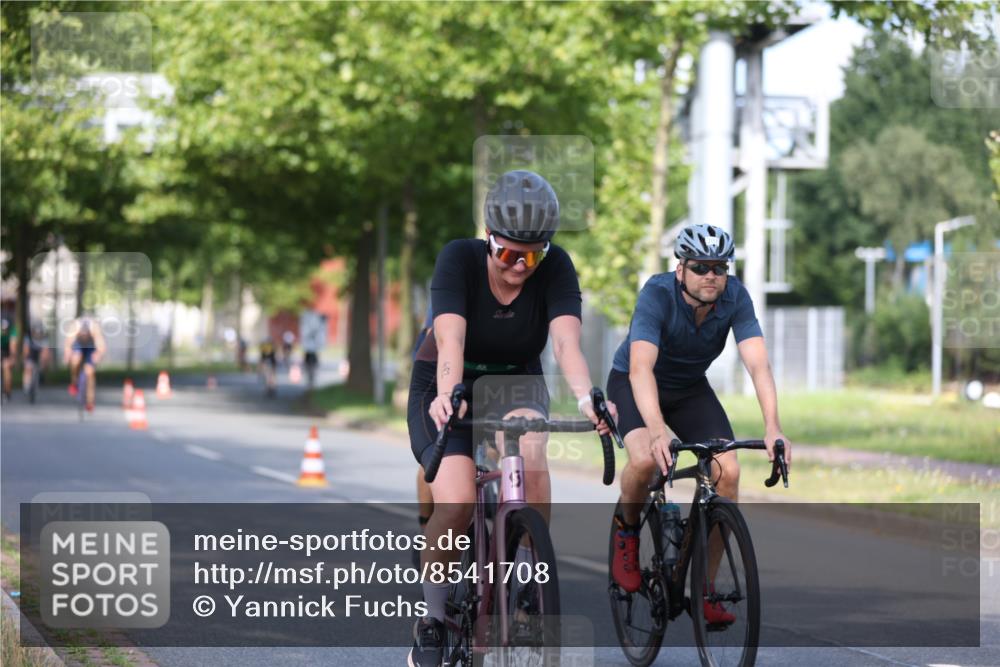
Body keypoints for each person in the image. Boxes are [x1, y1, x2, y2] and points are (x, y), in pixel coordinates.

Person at [406, 170, 614, 667]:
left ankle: (524, 577)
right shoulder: (458, 259)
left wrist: (588, 397)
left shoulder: (557, 267)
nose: (521, 264)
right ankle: (432, 620)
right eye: (508, 254)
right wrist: (451, 392)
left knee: (534, 449)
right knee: (455, 505)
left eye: (533, 254)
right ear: (488, 240)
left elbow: (565, 342)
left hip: (517, 381)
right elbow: (450, 339)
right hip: (445, 381)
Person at [607, 224, 792, 624]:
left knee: (728, 472)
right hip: (634, 383)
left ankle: (704, 589)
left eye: (720, 267)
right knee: (643, 461)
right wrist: (657, 431)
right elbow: (641, 368)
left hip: (690, 390)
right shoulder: (657, 294)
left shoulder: (735, 297)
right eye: (700, 267)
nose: (711, 275)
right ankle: (627, 529)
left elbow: (758, 364)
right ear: (681, 269)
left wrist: (773, 426)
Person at [63, 315, 106, 411]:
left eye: (86, 335)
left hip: (91, 347)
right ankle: (74, 382)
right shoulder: (75, 326)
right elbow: (68, 343)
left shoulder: (94, 328)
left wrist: (98, 355)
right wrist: (67, 355)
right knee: (75, 360)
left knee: (89, 372)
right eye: (82, 335)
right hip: (78, 345)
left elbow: (101, 345)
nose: (84, 337)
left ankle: (90, 401)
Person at [23, 321, 50, 399]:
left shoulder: (44, 338)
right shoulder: (28, 337)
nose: (38, 334)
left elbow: (46, 350)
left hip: (39, 353)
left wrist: (44, 360)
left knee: (43, 362)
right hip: (31, 354)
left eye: (39, 332)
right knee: (28, 368)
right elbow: (26, 350)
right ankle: (26, 386)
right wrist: (26, 359)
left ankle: (41, 377)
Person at [1, 317, 14, 402]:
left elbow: (13, 347)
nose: (5, 330)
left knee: (7, 370)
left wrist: (12, 358)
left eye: (6, 329)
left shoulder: (12, 333)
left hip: (7, 354)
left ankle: (7, 391)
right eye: (3, 329)